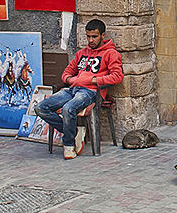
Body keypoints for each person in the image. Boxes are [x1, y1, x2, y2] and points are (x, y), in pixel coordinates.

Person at [37, 19, 123, 159]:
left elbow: (117, 77)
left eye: (94, 37)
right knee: (41, 108)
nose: (90, 40)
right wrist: (71, 80)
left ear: (103, 35)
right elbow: (66, 73)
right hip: (72, 89)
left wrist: (93, 80)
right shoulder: (81, 53)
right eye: (88, 36)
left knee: (68, 108)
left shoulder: (111, 54)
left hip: (91, 92)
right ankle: (72, 131)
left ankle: (69, 145)